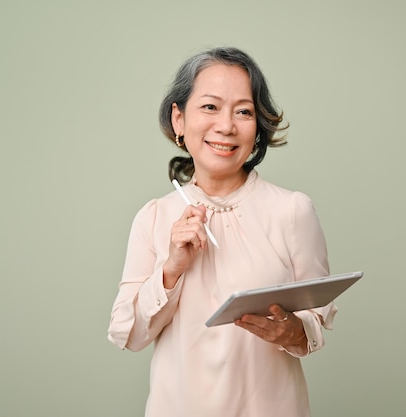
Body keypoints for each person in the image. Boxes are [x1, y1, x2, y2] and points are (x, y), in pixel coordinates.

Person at [107, 46, 337, 417]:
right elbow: (129, 335)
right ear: (179, 120)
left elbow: (314, 321)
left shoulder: (292, 211)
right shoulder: (154, 216)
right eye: (210, 107)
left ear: (258, 125)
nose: (226, 126)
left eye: (243, 111)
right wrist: (171, 269)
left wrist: (293, 332)